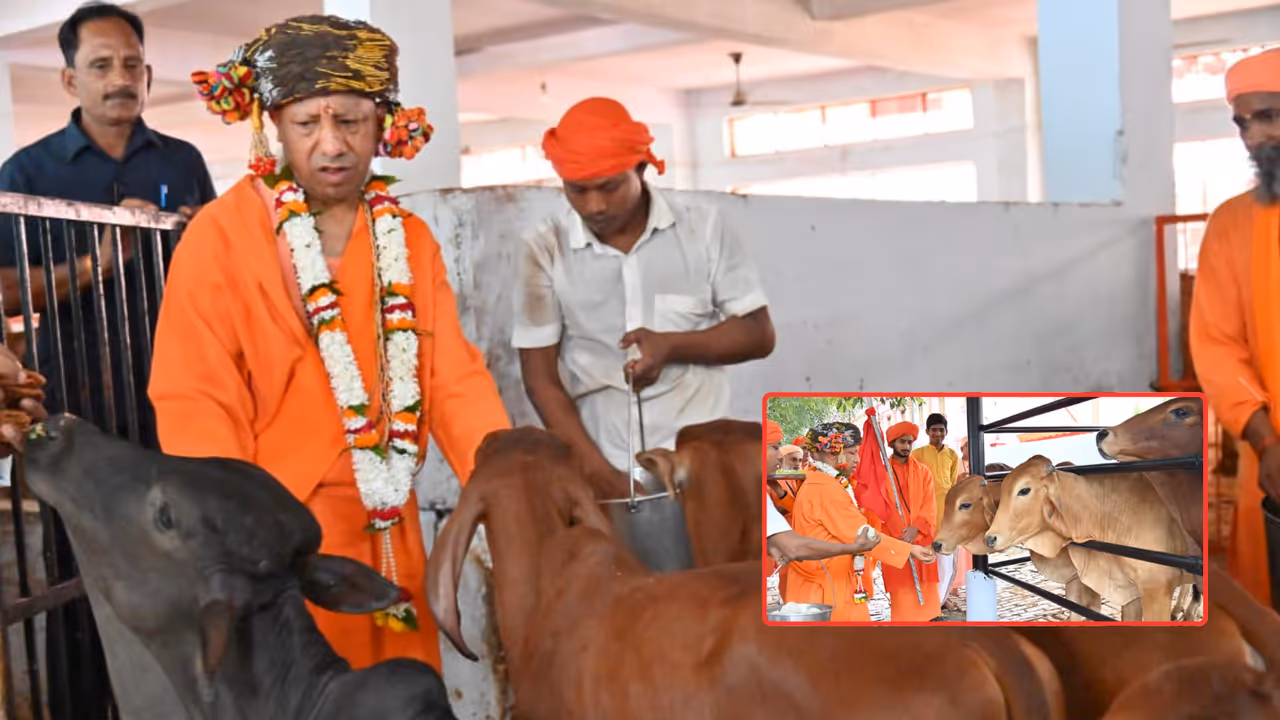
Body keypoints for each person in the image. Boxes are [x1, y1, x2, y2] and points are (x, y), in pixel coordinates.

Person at [148, 14, 510, 672]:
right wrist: (236, 539)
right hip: (274, 540)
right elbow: (194, 395)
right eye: (307, 123)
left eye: (350, 121)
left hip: (387, 524)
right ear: (273, 128)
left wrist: (503, 481)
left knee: (399, 698)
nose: (331, 144)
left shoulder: (407, 240)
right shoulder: (220, 238)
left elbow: (455, 378)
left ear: (383, 125)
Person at [512, 97, 775, 495]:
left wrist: (673, 346)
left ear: (642, 168)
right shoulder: (544, 247)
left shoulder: (702, 229)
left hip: (707, 462)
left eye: (610, 187)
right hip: (603, 460)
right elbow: (540, 379)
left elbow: (758, 333)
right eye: (577, 190)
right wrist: (599, 475)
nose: (594, 205)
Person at [0, 1, 217, 448]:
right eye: (100, 65)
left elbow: (222, 271)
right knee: (82, 515)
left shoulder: (183, 161)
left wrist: (205, 243)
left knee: (182, 510)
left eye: (132, 65)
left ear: (149, 75)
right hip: (71, 390)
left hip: (180, 382)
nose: (120, 79)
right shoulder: (26, 172)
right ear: (70, 79)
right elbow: (4, 292)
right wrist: (94, 266)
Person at [1189, 46, 1280, 607]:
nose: (1252, 136)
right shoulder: (1231, 225)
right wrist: (1266, 443)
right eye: (1242, 123)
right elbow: (1218, 347)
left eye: (1267, 116)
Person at [786, 421, 933, 622]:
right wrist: (909, 550)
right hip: (827, 589)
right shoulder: (825, 489)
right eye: (853, 453)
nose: (857, 459)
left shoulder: (823, 481)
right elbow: (861, 534)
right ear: (833, 454)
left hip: (830, 581)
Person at [763, 419, 881, 565]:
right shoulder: (814, 481)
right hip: (811, 554)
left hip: (837, 556)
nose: (808, 456)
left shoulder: (848, 478)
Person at [864, 421, 941, 621]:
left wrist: (916, 528)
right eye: (902, 442)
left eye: (909, 442)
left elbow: (930, 504)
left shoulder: (923, 471)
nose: (906, 446)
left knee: (927, 588)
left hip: (921, 536)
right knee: (902, 591)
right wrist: (899, 531)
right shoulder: (881, 473)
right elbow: (879, 507)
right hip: (895, 539)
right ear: (891, 443)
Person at [911, 413, 967, 612]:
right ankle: (930, 601)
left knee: (946, 561)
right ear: (927, 432)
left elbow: (952, 487)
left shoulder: (952, 456)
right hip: (924, 517)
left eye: (941, 430)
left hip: (945, 517)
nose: (937, 433)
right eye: (933, 430)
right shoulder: (917, 455)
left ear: (946, 432)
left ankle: (941, 599)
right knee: (927, 561)